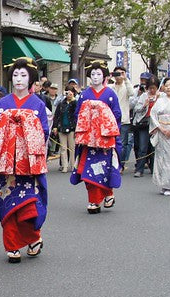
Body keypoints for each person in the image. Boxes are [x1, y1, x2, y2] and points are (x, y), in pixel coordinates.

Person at [0, 57, 49, 263]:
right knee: (6, 203)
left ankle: (33, 237)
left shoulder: (38, 103)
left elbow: (44, 132)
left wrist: (24, 126)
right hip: (5, 165)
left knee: (29, 204)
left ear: (31, 78)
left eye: (23, 75)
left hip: (28, 166)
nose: (19, 79)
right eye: (15, 75)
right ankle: (12, 244)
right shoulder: (3, 103)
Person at [71, 60, 122, 214]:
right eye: (92, 74)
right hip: (88, 140)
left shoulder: (110, 94)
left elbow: (117, 114)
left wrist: (102, 118)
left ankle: (108, 193)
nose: (95, 77)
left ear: (104, 76)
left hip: (105, 138)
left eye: (98, 74)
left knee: (105, 169)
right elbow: (77, 114)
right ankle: (93, 200)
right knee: (88, 169)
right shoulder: (84, 94)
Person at [132, 79, 159, 177]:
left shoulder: (161, 96)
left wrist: (158, 101)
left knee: (154, 147)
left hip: (156, 124)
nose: (152, 90)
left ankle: (154, 168)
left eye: (154, 88)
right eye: (150, 88)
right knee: (142, 147)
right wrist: (144, 105)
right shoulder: (144, 96)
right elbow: (136, 109)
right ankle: (139, 169)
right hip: (144, 123)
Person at [112, 66, 135, 171]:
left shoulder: (126, 86)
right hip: (112, 119)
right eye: (117, 74)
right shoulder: (111, 87)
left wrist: (126, 79)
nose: (118, 76)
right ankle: (114, 163)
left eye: (120, 73)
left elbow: (132, 93)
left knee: (123, 143)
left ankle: (121, 164)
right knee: (112, 143)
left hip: (124, 119)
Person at [53, 88, 77, 172]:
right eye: (67, 93)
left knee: (72, 148)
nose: (69, 95)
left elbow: (77, 113)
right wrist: (55, 127)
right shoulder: (61, 103)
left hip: (72, 128)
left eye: (71, 93)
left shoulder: (75, 103)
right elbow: (56, 115)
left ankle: (73, 165)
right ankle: (64, 166)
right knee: (63, 148)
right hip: (62, 127)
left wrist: (73, 99)